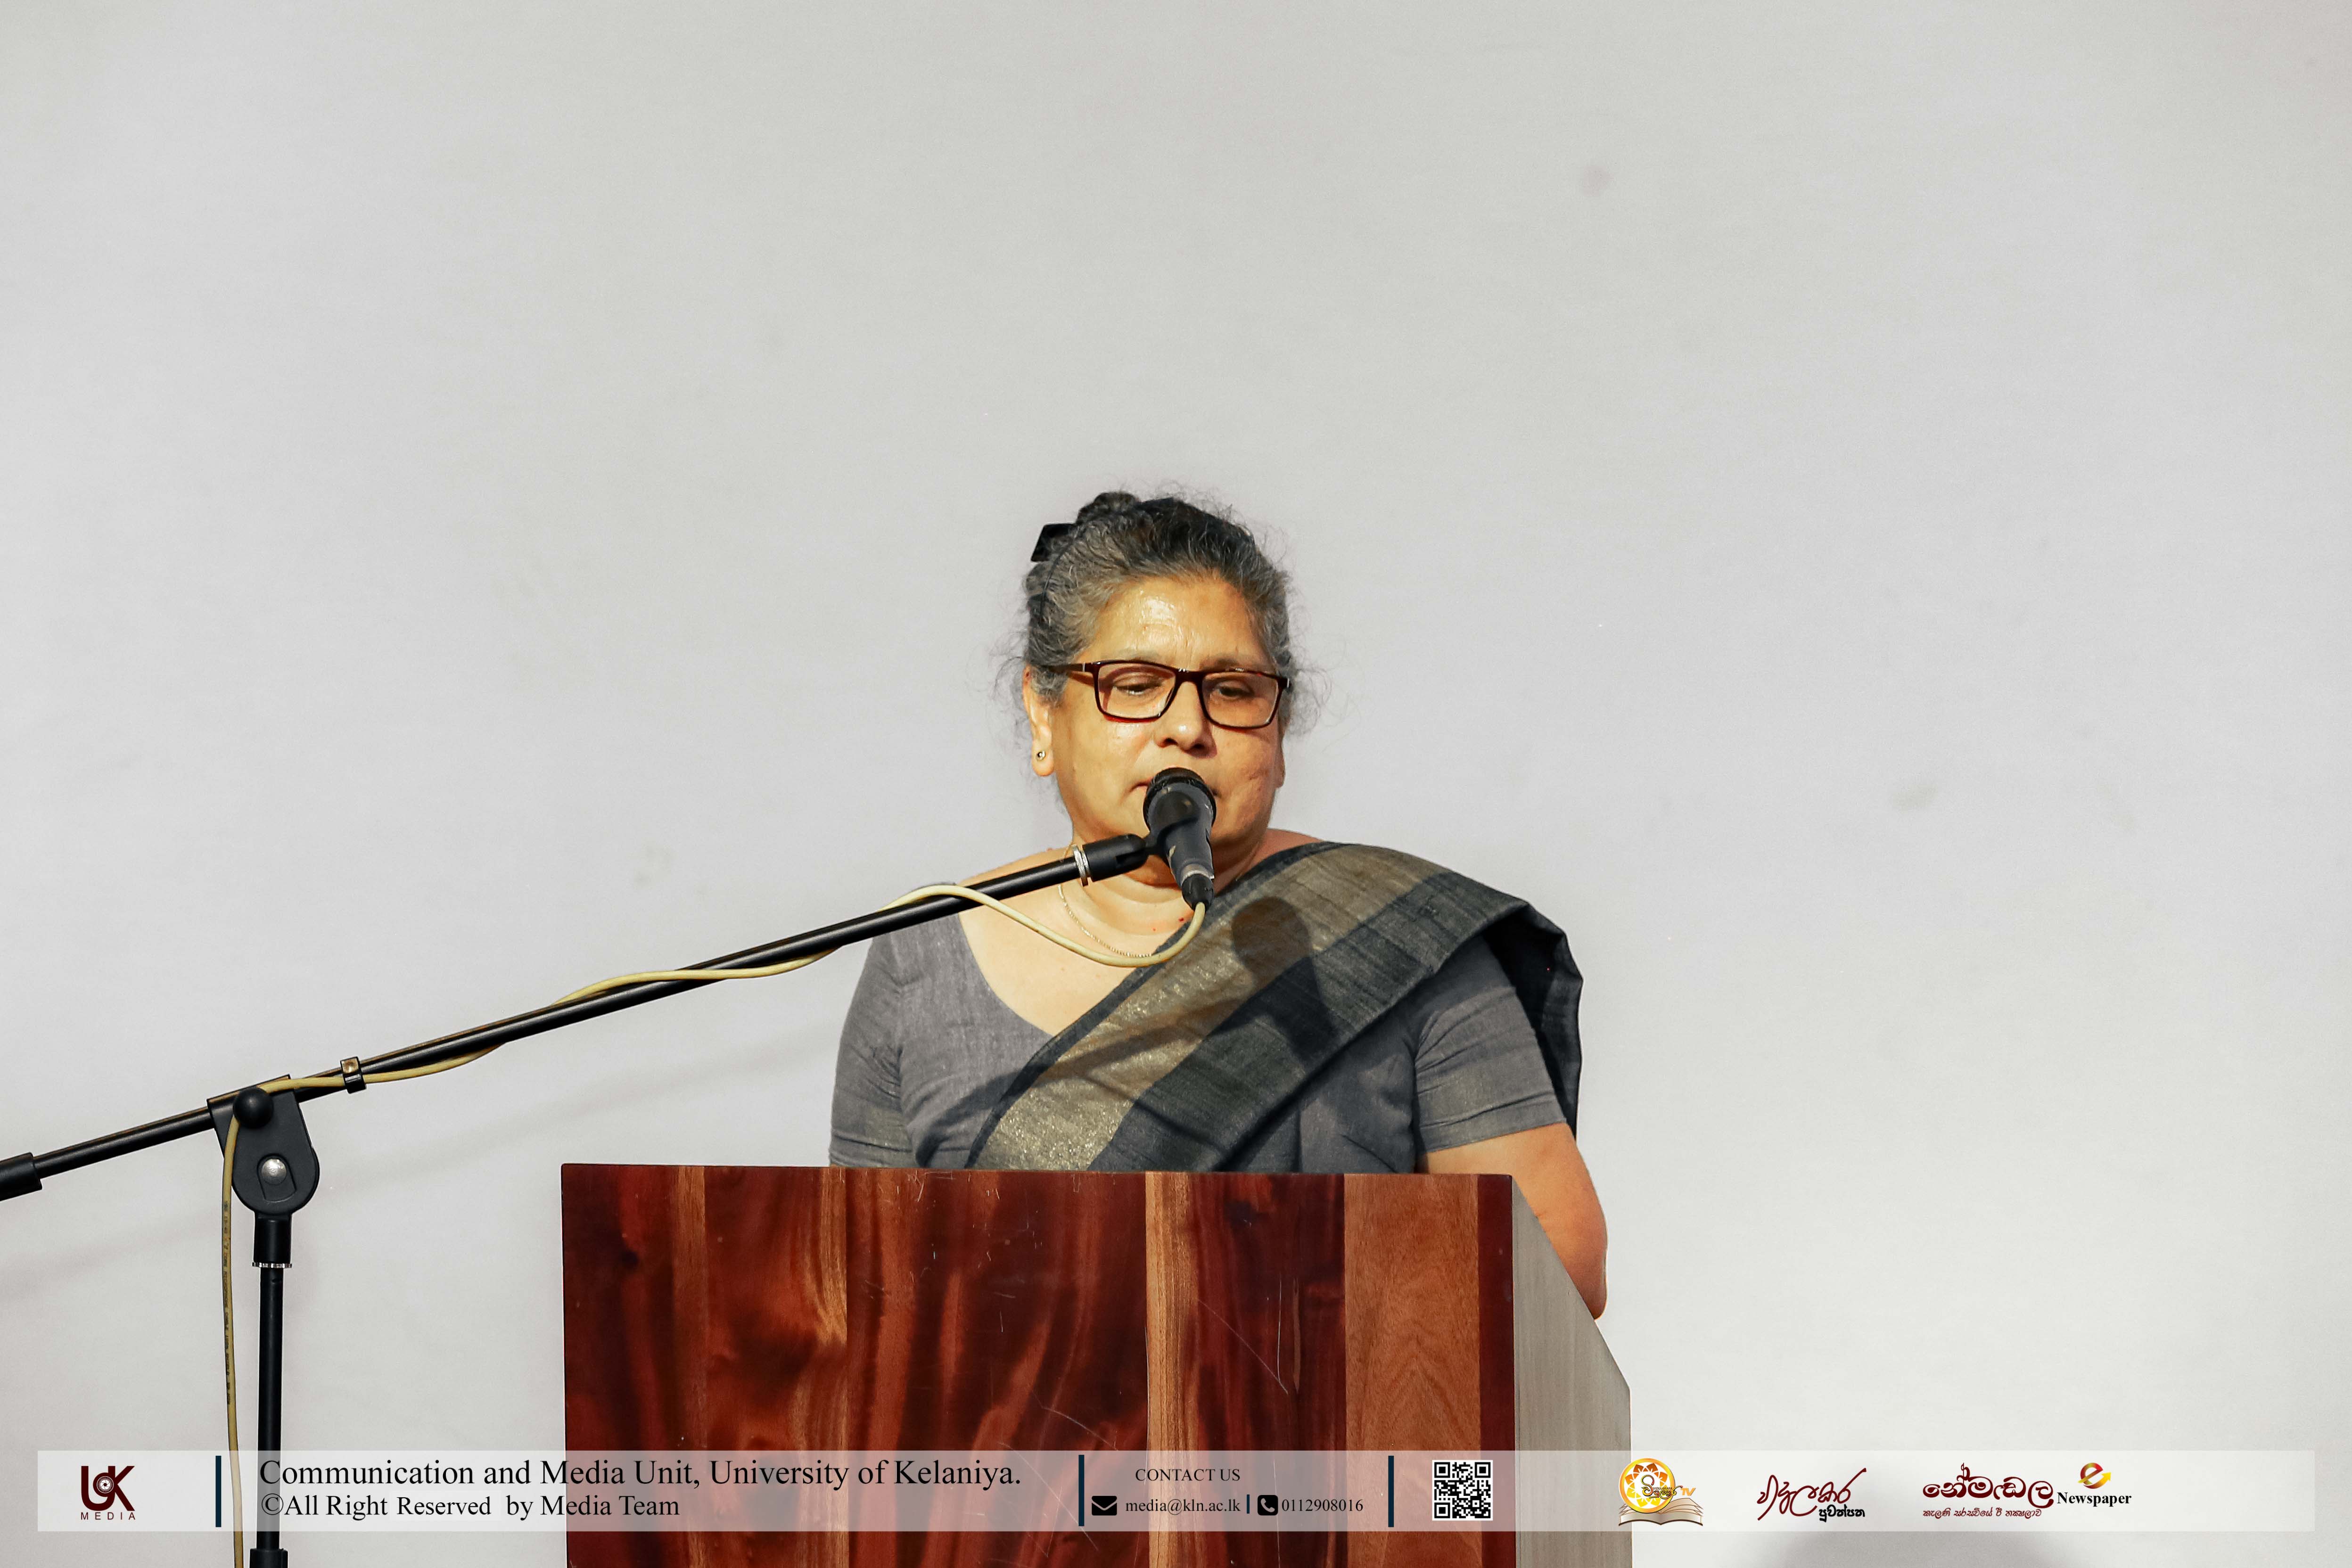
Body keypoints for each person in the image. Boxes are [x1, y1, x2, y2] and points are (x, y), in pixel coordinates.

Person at [829, 492, 1607, 1316]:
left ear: (1279, 735)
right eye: (1135, 685)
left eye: (1232, 691)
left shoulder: (1393, 937)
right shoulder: (923, 958)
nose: (1187, 728)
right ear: (1043, 713)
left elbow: (1558, 1272)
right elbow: (857, 1292)